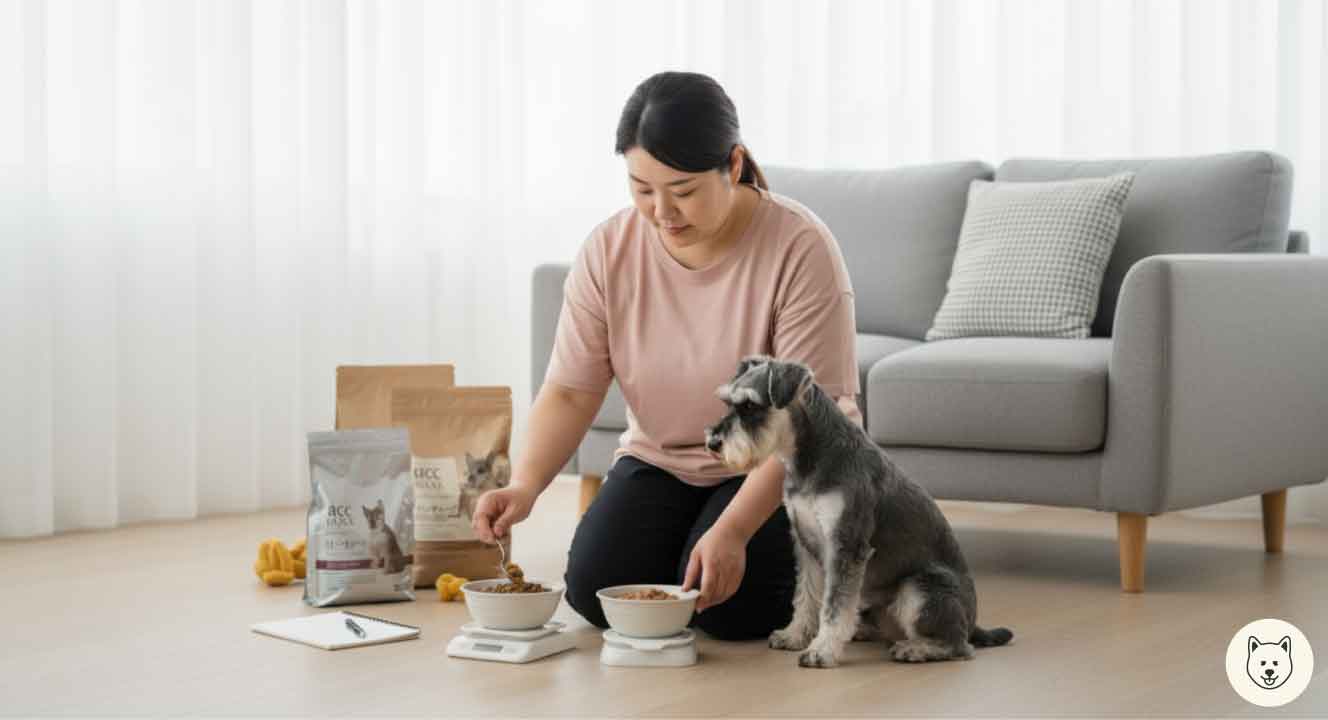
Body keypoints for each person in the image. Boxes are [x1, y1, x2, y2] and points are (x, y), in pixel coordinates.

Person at [472, 71, 861, 641]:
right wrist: (525, 486)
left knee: (736, 610)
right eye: (641, 189)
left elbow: (805, 425)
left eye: (682, 192)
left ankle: (849, 570)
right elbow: (571, 389)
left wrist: (730, 531)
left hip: (786, 465)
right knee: (596, 589)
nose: (661, 213)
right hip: (662, 460)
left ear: (732, 165)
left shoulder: (800, 247)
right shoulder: (609, 249)